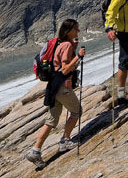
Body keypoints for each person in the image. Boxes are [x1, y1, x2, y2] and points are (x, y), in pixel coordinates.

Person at [25, 18, 86, 169]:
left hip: (53, 86)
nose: (78, 31)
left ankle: (35, 151)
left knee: (51, 120)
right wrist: (78, 56)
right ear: (68, 31)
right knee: (76, 111)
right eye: (76, 29)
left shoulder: (59, 44)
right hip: (62, 87)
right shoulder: (66, 45)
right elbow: (65, 69)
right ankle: (65, 140)